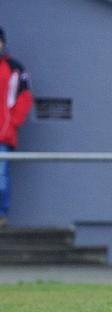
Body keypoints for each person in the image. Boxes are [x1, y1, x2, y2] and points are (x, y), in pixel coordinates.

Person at [0, 27, 32, 228]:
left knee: (1, 178)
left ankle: (1, 215)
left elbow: (24, 99)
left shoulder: (14, 68)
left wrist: (11, 125)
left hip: (3, 136)